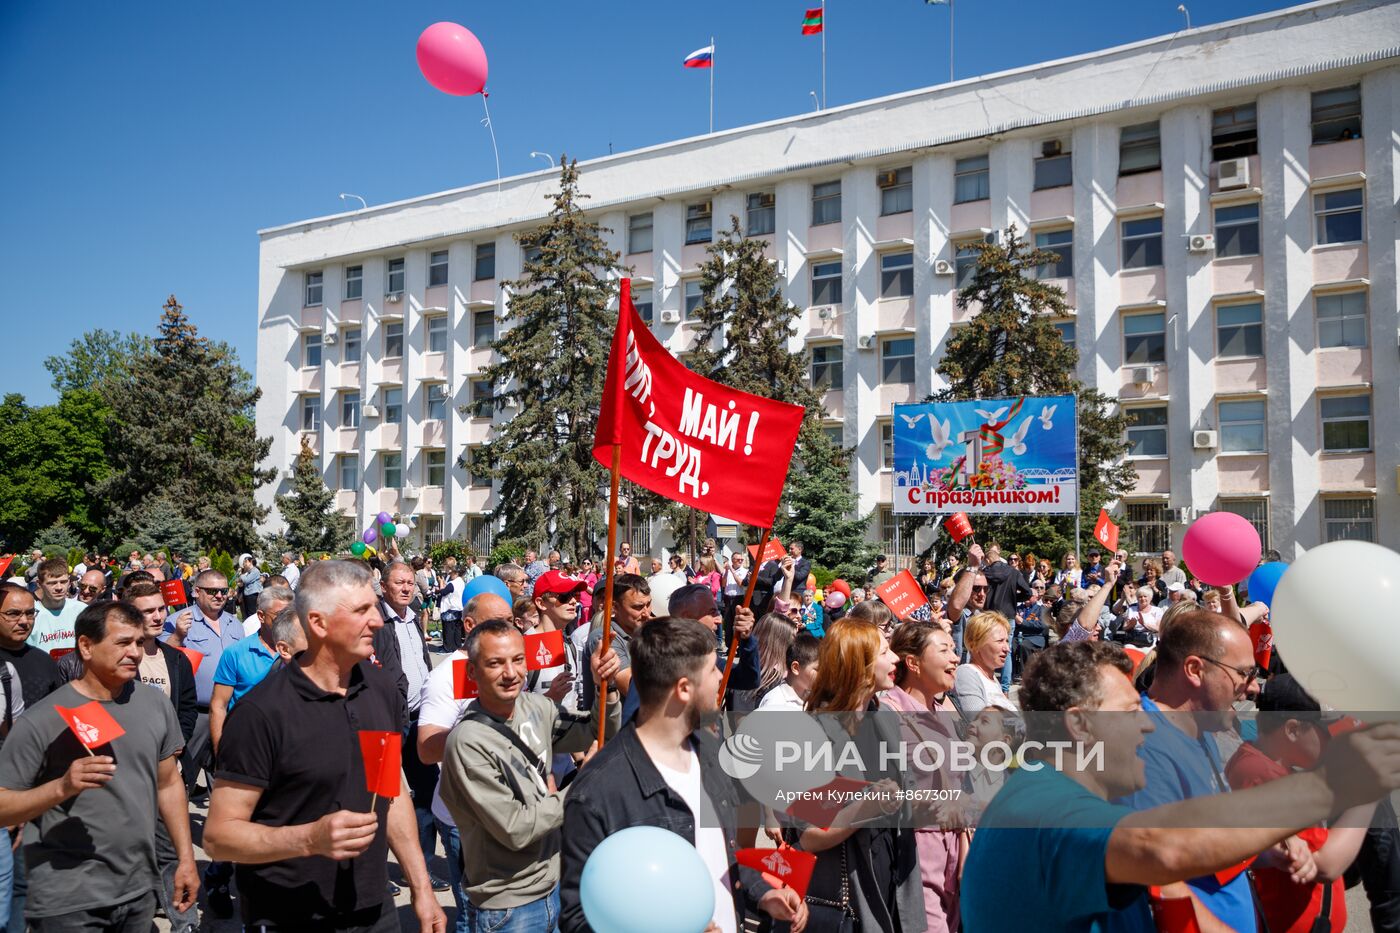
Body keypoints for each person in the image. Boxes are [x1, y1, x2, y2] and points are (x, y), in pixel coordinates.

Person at [962, 640, 1400, 932]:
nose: (1146, 727)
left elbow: (1170, 890)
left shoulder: (1062, 799)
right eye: (1132, 711)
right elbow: (1160, 847)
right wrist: (1333, 786)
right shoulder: (1042, 805)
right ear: (1078, 724)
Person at [205, 560, 446, 932]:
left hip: (373, 908)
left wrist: (421, 886)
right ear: (318, 623)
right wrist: (308, 839)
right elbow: (219, 838)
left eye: (375, 608)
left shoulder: (379, 689)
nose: (378, 621)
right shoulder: (262, 712)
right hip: (289, 914)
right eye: (362, 610)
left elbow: (390, 790)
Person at [559, 617, 807, 933]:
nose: (722, 677)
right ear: (684, 689)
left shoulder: (713, 754)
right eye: (713, 669)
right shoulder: (598, 791)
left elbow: (724, 853)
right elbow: (579, 920)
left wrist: (764, 892)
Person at [0, 600, 198, 932]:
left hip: (137, 892)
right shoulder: (43, 719)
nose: (135, 652)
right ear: (86, 646)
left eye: (138, 642)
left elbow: (168, 784)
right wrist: (61, 788)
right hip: (67, 900)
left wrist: (186, 860)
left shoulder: (155, 704)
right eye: (122, 642)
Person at [438, 618, 622, 932]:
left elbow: (595, 731)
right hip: (508, 907)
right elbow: (516, 828)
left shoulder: (536, 706)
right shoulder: (467, 742)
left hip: (554, 886)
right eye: (495, 663)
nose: (511, 673)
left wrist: (608, 686)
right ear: (472, 672)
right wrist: (582, 784)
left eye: (518, 660)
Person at [1116, 610, 1278, 930]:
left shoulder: (1200, 732)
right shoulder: (1145, 744)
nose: (1253, 688)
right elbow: (1160, 881)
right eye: (1244, 673)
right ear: (1194, 669)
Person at [64, 580, 200, 930]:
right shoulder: (111, 659)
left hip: (165, 767)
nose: (157, 616)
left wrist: (174, 742)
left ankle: (184, 921)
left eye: (160, 608)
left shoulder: (175, 658)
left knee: (171, 848)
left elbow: (184, 707)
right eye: (147, 611)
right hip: (121, 773)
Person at [797, 618, 924, 932]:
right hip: (850, 898)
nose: (895, 659)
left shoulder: (885, 718)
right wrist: (865, 808)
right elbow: (809, 834)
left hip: (895, 887)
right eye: (884, 653)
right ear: (859, 664)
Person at [1227, 674, 1373, 933]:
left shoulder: (1272, 766)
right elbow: (1326, 865)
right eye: (1328, 733)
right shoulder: (1259, 773)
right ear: (1292, 730)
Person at [417, 592, 514, 933]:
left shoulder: (505, 667)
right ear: (470, 625)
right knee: (474, 917)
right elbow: (427, 749)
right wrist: (476, 730)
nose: (508, 628)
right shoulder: (447, 678)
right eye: (497, 621)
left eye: (510, 620)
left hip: (504, 813)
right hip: (464, 819)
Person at [883, 621, 963, 933]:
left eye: (954, 650)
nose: (955, 658)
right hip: (916, 854)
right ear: (913, 663)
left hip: (954, 852)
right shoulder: (888, 712)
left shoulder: (945, 710)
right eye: (944, 650)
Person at [374, 561, 445, 894]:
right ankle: (375, 874)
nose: (405, 588)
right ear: (384, 586)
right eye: (399, 583)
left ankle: (421, 868)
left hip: (419, 719)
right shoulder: (376, 622)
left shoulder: (413, 618)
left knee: (425, 794)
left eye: (409, 583)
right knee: (381, 796)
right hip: (387, 724)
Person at [162, 568, 242, 800]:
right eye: (212, 591)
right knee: (182, 774)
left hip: (229, 712)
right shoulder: (178, 621)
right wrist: (177, 635)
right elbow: (161, 660)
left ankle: (220, 829)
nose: (219, 596)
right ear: (197, 592)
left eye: (224, 591)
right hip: (196, 714)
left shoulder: (234, 624)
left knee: (225, 776)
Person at [208, 586, 294, 757]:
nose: (287, 621)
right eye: (280, 616)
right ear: (261, 616)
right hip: (248, 746)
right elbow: (218, 706)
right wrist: (221, 753)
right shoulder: (236, 653)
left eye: (291, 615)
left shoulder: (304, 651)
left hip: (290, 746)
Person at [579, 574, 651, 711]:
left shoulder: (645, 632)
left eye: (648, 604)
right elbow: (635, 691)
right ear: (614, 607)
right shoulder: (603, 638)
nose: (646, 613)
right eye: (638, 607)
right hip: (613, 728)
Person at [953, 611, 1018, 715]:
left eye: (1007, 641)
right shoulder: (966, 674)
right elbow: (979, 722)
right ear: (976, 644)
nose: (1007, 649)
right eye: (1000, 641)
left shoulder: (993, 680)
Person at [26, 558, 81, 654]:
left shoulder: (82, 610)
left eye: (63, 582)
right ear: (39, 584)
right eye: (52, 583)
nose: (59, 588)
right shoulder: (29, 614)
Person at [756, 631, 820, 712]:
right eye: (817, 669)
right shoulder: (776, 704)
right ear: (796, 668)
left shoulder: (814, 698)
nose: (822, 675)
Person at [438, 562, 465, 653]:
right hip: (458, 607)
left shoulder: (452, 583)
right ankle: (456, 646)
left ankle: (447, 647)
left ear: (456, 573)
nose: (450, 575)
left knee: (448, 629)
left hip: (450, 608)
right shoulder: (461, 582)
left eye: (451, 573)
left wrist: (441, 583)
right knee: (457, 629)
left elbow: (443, 592)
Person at [238, 555, 263, 619]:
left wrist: (241, 574)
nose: (244, 564)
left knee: (252, 614)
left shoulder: (255, 571)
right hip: (248, 594)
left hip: (252, 595)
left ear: (251, 562)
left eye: (245, 562)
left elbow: (246, 580)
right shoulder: (249, 572)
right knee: (247, 613)